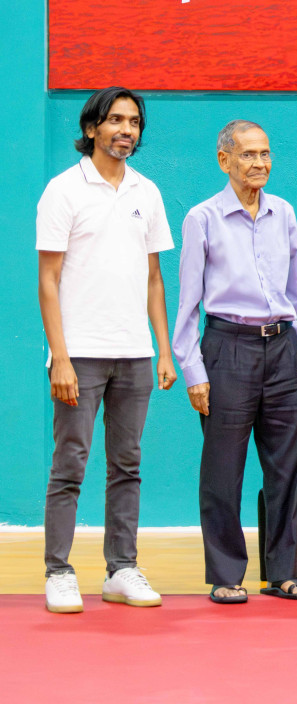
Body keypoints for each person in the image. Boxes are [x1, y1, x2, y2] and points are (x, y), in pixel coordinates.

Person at [36, 87, 177, 613]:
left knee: (128, 465)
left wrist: (163, 350)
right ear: (92, 127)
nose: (126, 130)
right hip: (81, 353)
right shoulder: (63, 191)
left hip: (135, 354)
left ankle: (121, 570)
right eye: (116, 120)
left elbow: (153, 279)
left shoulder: (147, 191)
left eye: (134, 121)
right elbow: (48, 280)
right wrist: (62, 356)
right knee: (69, 465)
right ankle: (59, 571)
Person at [174, 120, 297, 603]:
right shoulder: (203, 218)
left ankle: (283, 572)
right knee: (222, 468)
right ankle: (226, 575)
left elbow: (294, 290)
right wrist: (193, 369)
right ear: (225, 161)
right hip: (227, 347)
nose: (260, 163)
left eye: (265, 154)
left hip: (281, 349)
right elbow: (188, 303)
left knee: (287, 466)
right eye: (249, 155)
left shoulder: (285, 213)